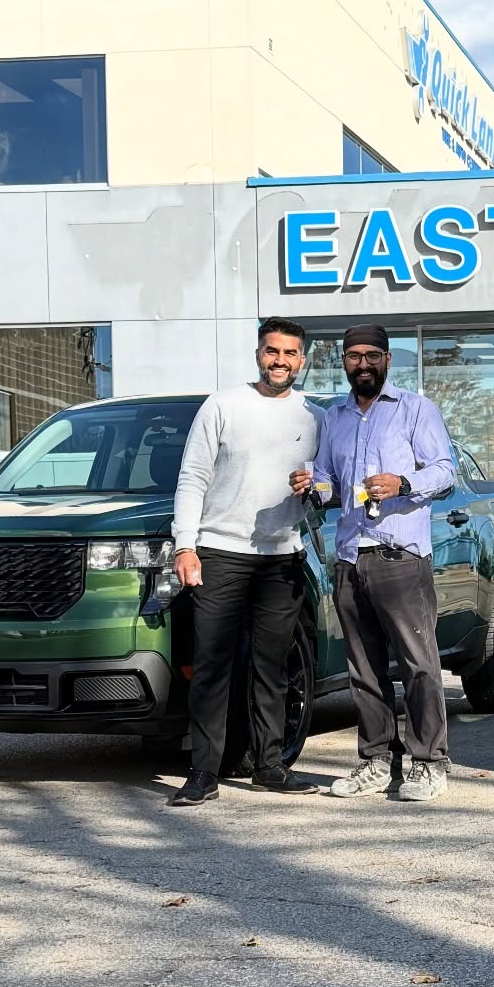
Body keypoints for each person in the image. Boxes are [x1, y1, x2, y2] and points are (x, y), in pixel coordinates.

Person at [168, 318, 324, 806]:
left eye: (291, 353)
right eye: (272, 351)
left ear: (303, 359)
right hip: (220, 551)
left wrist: (317, 485)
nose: (281, 361)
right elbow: (193, 476)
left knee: (271, 667)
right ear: (259, 353)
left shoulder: (315, 416)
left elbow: (331, 482)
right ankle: (203, 772)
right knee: (212, 665)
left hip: (282, 557)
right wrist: (185, 545)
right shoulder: (223, 406)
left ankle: (270, 766)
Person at [297, 324, 455, 802]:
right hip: (350, 559)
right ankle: (376, 762)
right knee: (363, 670)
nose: (362, 364)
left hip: (400, 556)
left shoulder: (415, 410)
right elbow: (328, 481)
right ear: (342, 362)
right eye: (352, 357)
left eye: (371, 356)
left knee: (419, 665)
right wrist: (312, 486)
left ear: (387, 359)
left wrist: (403, 483)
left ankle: (429, 764)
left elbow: (445, 471)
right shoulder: (335, 417)